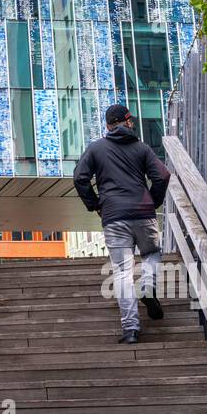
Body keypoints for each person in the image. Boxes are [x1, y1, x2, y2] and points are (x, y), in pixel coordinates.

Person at [73, 104, 172, 344]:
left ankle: (131, 329)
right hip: (143, 213)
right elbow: (163, 175)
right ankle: (148, 285)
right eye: (132, 120)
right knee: (151, 253)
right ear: (127, 122)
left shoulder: (96, 149)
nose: (134, 124)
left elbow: (79, 177)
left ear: (108, 125)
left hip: (114, 216)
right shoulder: (142, 148)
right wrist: (153, 200)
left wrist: (95, 204)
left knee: (122, 272)